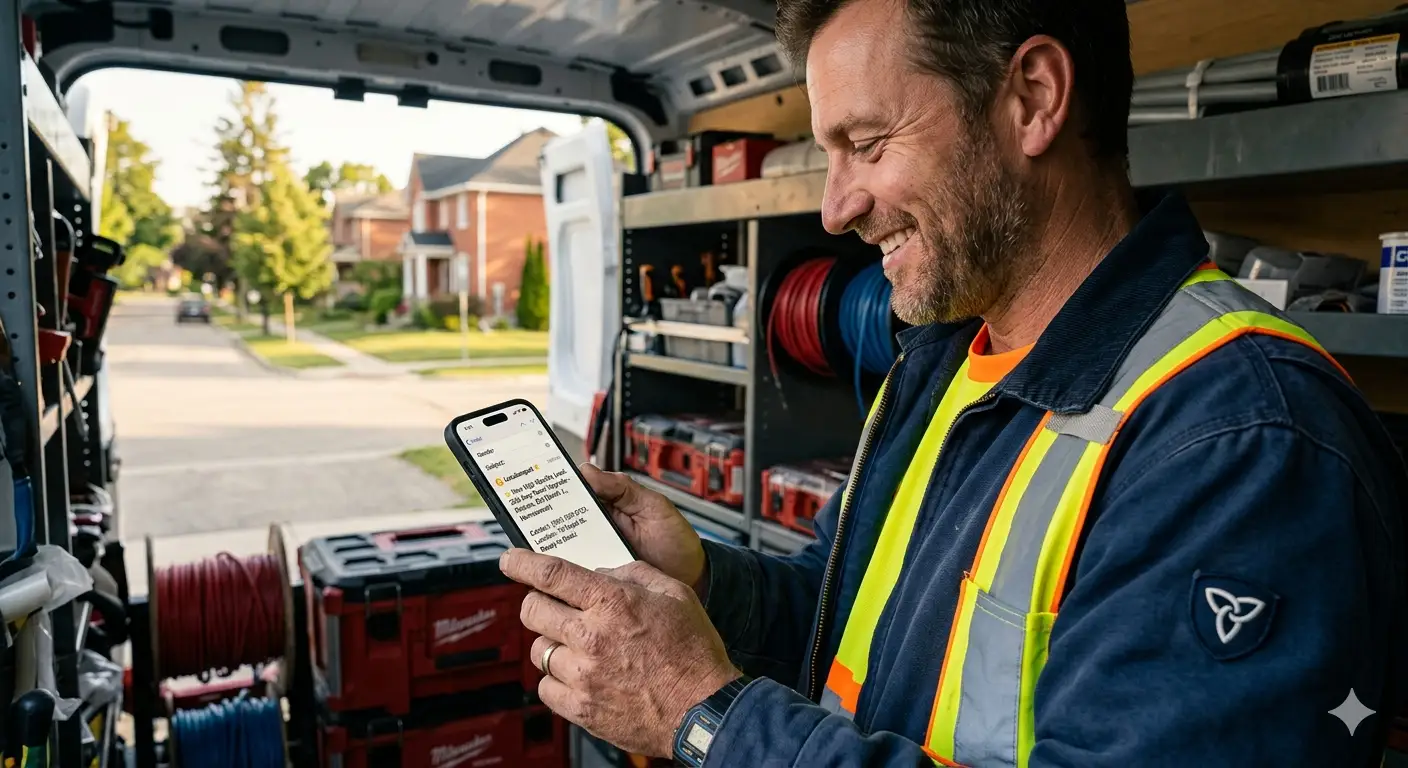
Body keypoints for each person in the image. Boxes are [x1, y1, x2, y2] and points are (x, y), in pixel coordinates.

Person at [498, 0, 1408, 763]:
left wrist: (702, 719)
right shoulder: (942, 360)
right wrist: (706, 581)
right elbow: (848, 608)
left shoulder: (1243, 441)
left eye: (867, 142)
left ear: (1034, 99)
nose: (836, 206)